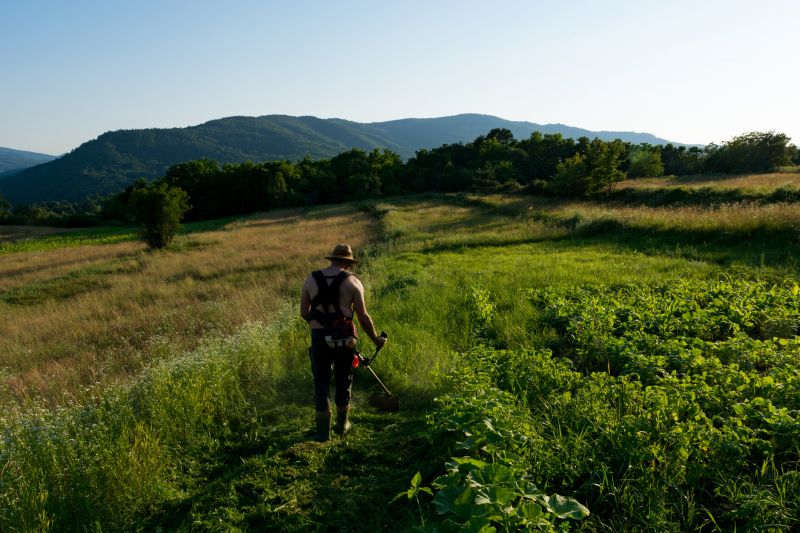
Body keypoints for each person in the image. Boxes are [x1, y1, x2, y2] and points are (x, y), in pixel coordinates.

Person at [300, 244, 386, 442]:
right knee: (343, 378)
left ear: (332, 259)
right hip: (345, 339)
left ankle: (322, 433)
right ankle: (341, 424)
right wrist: (376, 339)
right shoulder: (353, 282)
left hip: (319, 337)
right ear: (348, 262)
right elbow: (363, 317)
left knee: (321, 382)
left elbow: (304, 312)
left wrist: (322, 327)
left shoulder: (311, 279)